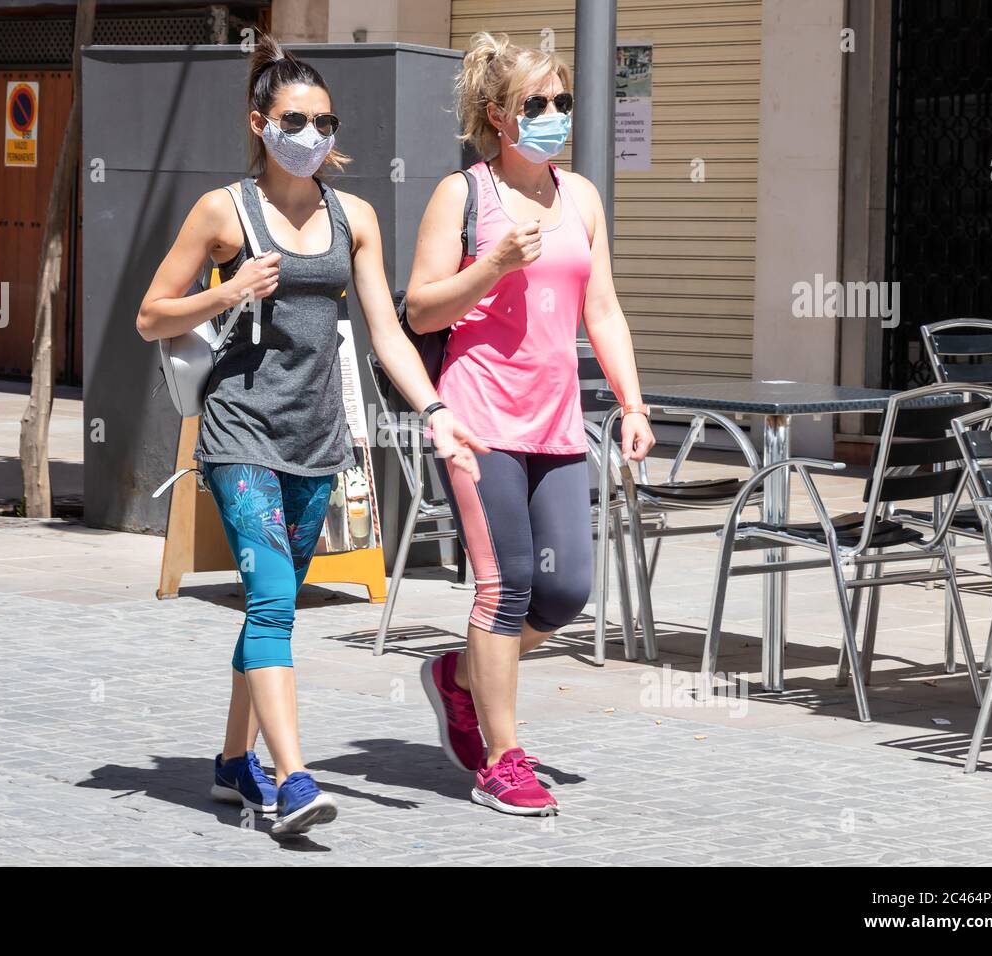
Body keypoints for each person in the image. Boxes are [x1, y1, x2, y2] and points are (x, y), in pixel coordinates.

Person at [136, 34, 487, 837]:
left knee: (276, 608)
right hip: (239, 432)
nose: (313, 134)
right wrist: (225, 294)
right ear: (259, 123)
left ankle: (231, 762)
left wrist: (433, 411)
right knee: (268, 601)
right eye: (297, 119)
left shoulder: (352, 216)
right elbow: (152, 313)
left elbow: (386, 332)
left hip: (317, 435)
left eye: (325, 120)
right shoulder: (223, 211)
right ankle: (291, 779)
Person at [405, 32, 655, 816]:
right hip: (479, 419)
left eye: (562, 102)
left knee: (566, 591)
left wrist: (633, 401)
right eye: (536, 104)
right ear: (497, 115)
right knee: (505, 586)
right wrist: (493, 265)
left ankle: (458, 677)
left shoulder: (579, 196)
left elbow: (602, 308)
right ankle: (502, 758)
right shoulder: (464, 195)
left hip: (557, 424)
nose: (554, 115)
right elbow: (417, 308)